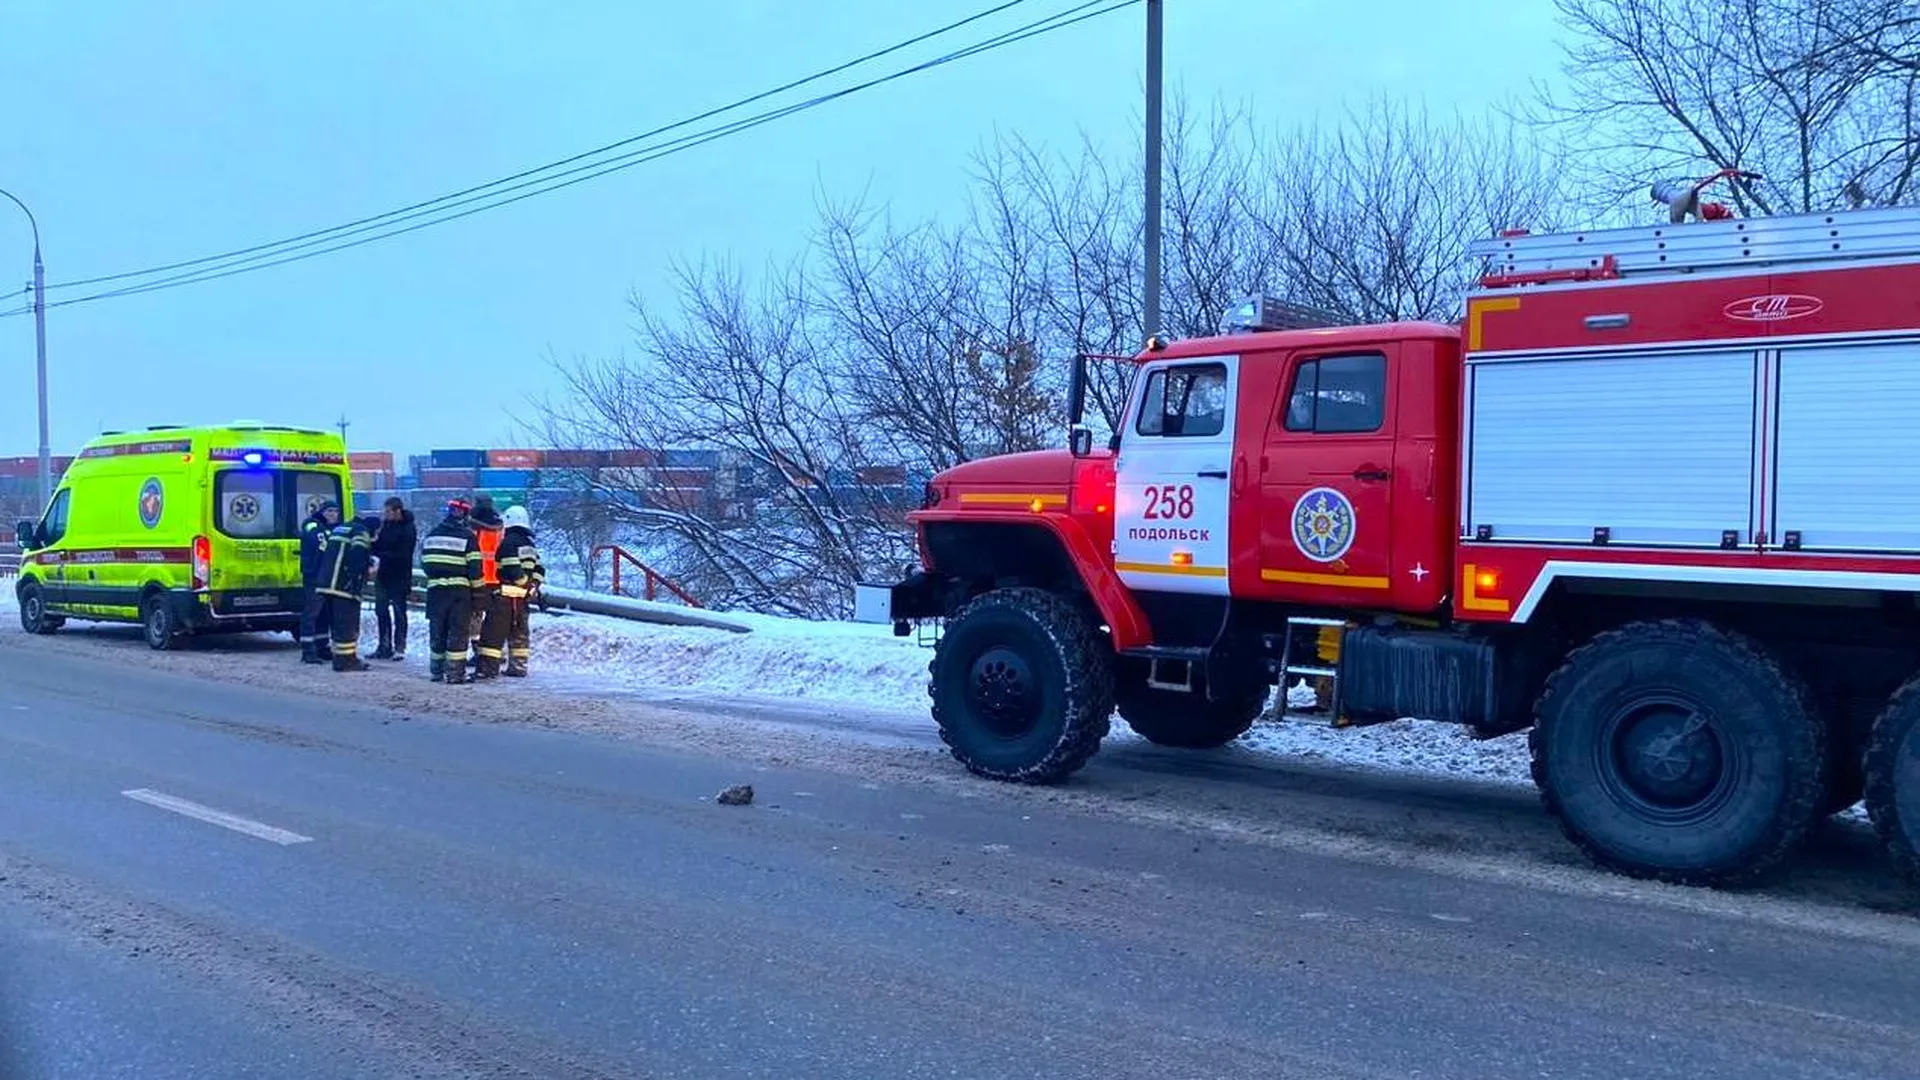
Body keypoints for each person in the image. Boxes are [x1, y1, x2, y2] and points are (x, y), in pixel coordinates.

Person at [421, 499, 483, 684]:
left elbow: (426, 564)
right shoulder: (467, 536)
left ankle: (436, 671)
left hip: (435, 591)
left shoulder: (432, 535)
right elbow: (475, 569)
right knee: (457, 631)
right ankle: (455, 673)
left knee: (437, 630)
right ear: (465, 515)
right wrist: (479, 594)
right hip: (459, 594)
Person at [315, 514, 377, 672]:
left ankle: (339, 657)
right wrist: (358, 574)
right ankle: (346, 661)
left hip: (326, 582)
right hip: (343, 585)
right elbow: (357, 553)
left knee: (337, 623)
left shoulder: (341, 528)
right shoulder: (361, 532)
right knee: (347, 623)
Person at [494, 505, 545, 677]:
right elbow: (540, 569)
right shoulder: (530, 544)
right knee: (520, 633)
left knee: (496, 631)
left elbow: (511, 567)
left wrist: (523, 583)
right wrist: (533, 585)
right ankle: (519, 666)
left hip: (507, 597)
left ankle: (489, 667)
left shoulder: (509, 542)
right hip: (523, 599)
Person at [368, 496, 417, 661]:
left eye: (388, 511)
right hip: (383, 575)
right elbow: (380, 545)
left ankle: (399, 647)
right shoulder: (386, 526)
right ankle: (384, 646)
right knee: (381, 611)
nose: (385, 514)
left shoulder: (408, 528)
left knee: (399, 612)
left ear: (398, 511)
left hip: (399, 576)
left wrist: (380, 555)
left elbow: (403, 554)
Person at [298, 499, 341, 664]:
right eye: (329, 511)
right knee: (312, 613)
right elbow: (321, 543)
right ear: (322, 513)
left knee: (325, 614)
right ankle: (307, 650)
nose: (333, 515)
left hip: (327, 578)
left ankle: (322, 647)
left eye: (335, 512)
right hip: (313, 577)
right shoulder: (312, 525)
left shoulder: (333, 529)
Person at [466, 498, 505, 679]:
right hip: (497, 579)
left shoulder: (474, 529)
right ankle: (494, 655)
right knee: (494, 621)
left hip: (479, 578)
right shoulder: (500, 528)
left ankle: (479, 653)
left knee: (474, 619)